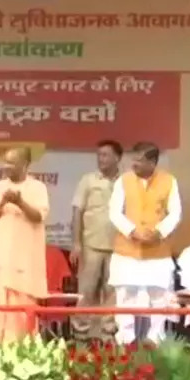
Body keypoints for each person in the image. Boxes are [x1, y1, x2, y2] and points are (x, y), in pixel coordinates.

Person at [0, 147, 49, 343]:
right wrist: (4, 200)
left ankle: (19, 344)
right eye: (5, 162)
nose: (7, 167)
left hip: (24, 257)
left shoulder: (38, 188)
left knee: (20, 303)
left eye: (12, 163)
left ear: (26, 165)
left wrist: (20, 202)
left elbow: (38, 216)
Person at [108, 142, 182, 346]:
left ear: (153, 162)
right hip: (127, 249)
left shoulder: (169, 181)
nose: (134, 164)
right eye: (133, 159)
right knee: (125, 295)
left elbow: (175, 212)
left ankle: (154, 337)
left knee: (159, 296)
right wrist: (132, 231)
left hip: (157, 250)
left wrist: (158, 232)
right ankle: (126, 339)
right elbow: (114, 211)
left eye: (140, 160)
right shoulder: (123, 181)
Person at [70, 140, 123, 341]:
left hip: (118, 246)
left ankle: (108, 334)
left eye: (106, 155)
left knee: (112, 292)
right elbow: (77, 212)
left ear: (118, 158)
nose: (101, 159)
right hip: (91, 244)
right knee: (86, 290)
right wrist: (76, 243)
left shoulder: (125, 182)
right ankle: (80, 334)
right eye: (99, 155)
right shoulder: (88, 180)